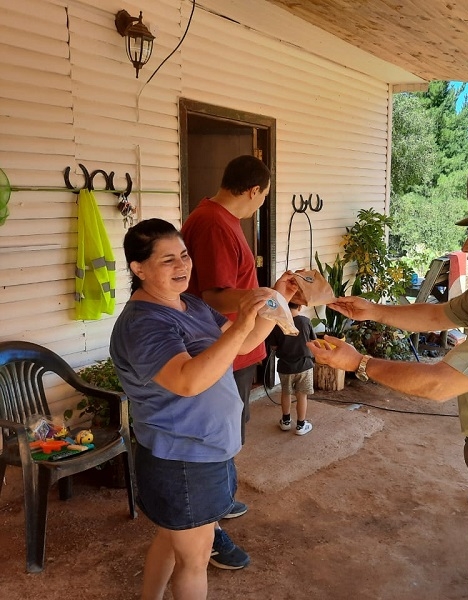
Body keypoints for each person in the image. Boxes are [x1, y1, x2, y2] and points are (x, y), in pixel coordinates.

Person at [308, 173, 468, 600]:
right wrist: (370, 311)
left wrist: (359, 363)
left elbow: (439, 384)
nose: (464, 247)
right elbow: (437, 316)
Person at [110, 219, 285, 598]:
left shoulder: (189, 304)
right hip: (182, 458)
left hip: (204, 448)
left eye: (185, 255)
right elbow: (187, 381)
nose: (182, 266)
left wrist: (276, 305)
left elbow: (239, 346)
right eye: (168, 260)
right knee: (195, 560)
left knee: (172, 538)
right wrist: (240, 328)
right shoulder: (144, 324)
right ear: (138, 269)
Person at [180, 154, 274, 565]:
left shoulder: (220, 219)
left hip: (236, 347)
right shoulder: (214, 223)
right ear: (254, 190)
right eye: (263, 197)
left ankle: (220, 499)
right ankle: (209, 527)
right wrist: (267, 300)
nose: (261, 204)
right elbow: (214, 295)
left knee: (231, 431)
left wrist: (268, 300)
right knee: (215, 439)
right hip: (220, 350)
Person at [267, 302, 317, 435]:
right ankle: (301, 425)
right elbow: (313, 341)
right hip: (304, 366)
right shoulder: (305, 321)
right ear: (299, 307)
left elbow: (273, 347)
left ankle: (286, 422)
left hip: (285, 366)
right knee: (302, 396)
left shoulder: (277, 323)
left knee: (286, 393)